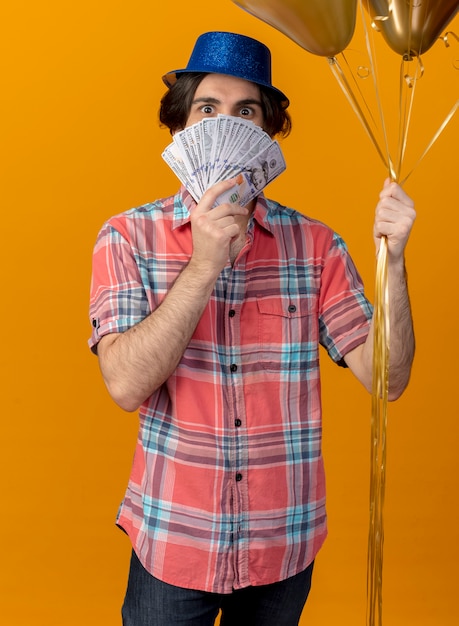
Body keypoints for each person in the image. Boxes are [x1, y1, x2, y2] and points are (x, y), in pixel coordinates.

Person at [88, 31, 415, 626]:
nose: (226, 124)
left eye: (247, 112)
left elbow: (387, 378)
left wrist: (393, 260)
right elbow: (125, 384)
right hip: (173, 539)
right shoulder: (126, 237)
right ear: (181, 128)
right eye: (208, 108)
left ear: (267, 134)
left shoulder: (315, 246)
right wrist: (206, 260)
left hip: (282, 543)